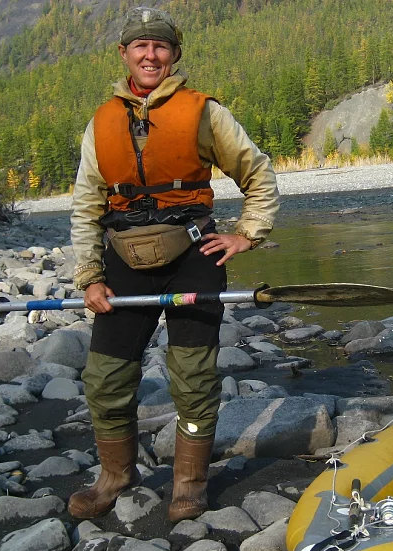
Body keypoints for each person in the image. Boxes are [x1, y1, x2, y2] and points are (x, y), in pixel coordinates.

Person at [68, 6, 279, 523]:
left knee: (193, 378)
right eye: (140, 46)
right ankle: (116, 475)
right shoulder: (101, 124)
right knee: (105, 379)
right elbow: (86, 205)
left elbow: (258, 174)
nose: (150, 55)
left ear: (174, 55)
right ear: (123, 55)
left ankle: (189, 483)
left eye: (160, 46)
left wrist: (246, 235)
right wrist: (89, 276)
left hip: (194, 258)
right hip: (123, 262)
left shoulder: (204, 113)